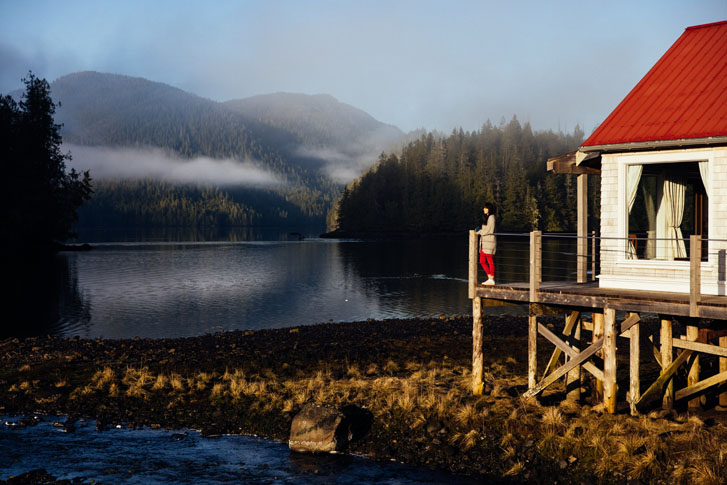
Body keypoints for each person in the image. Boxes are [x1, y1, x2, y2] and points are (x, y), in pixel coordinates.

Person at [477, 203, 496, 285]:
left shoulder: (492, 217)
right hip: (484, 242)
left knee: (490, 260)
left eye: (485, 208)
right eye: (484, 208)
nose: (484, 209)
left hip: (489, 241)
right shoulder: (487, 217)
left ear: (489, 209)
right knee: (482, 261)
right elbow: (486, 228)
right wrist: (480, 230)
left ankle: (491, 279)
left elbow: (490, 230)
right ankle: (490, 278)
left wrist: (479, 232)